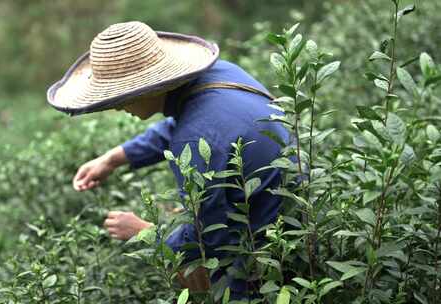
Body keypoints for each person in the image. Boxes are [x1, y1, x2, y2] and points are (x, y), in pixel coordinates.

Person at [47, 21, 288, 300]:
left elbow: (209, 240)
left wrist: (145, 233)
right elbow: (190, 124)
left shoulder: (195, 140)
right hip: (290, 201)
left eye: (119, 98)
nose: (116, 107)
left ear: (148, 88)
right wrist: (114, 158)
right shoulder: (220, 74)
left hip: (267, 252)